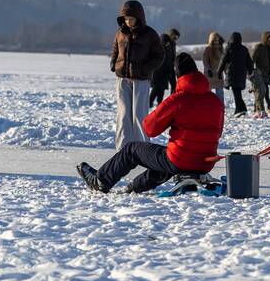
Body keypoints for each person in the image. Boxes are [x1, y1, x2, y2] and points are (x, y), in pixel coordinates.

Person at [77, 53, 223, 194]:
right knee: (166, 158)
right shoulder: (216, 101)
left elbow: (149, 129)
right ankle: (134, 187)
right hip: (206, 163)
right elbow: (218, 132)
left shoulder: (178, 99)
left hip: (181, 160)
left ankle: (101, 180)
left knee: (131, 150)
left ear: (178, 76)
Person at [109, 0, 166, 149]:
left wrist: (146, 69)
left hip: (141, 79)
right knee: (123, 115)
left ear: (139, 18)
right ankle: (122, 149)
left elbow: (159, 56)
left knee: (139, 116)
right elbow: (115, 49)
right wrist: (114, 63)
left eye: (131, 19)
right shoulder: (120, 33)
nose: (128, 22)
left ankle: (143, 149)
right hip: (122, 78)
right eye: (126, 19)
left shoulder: (150, 34)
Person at [218, 31, 254, 118]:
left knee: (236, 92)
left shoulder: (229, 48)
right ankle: (241, 109)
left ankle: (239, 110)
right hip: (241, 73)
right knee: (237, 91)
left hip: (232, 73)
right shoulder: (244, 49)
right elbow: (249, 62)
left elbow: (223, 61)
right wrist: (250, 71)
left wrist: (219, 71)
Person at [149, 29, 179, 107]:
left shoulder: (172, 44)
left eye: (177, 38)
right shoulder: (164, 39)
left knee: (169, 86)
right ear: (171, 35)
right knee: (157, 88)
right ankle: (150, 102)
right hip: (159, 69)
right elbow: (161, 53)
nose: (176, 39)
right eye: (175, 37)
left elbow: (171, 57)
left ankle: (165, 103)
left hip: (168, 68)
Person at [202, 32, 225, 103]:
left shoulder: (221, 49)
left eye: (217, 39)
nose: (216, 41)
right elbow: (205, 61)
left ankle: (221, 108)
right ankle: (209, 107)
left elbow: (224, 62)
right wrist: (208, 70)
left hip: (219, 75)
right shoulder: (208, 49)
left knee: (220, 93)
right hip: (210, 75)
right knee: (208, 93)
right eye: (215, 39)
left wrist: (226, 71)